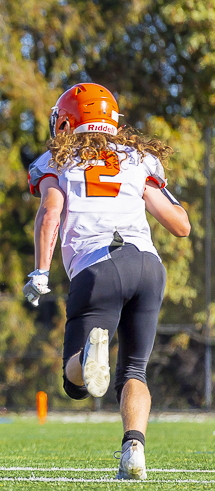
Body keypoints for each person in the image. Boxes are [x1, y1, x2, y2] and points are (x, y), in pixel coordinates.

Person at [24, 83, 190, 480]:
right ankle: (134, 450)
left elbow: (50, 212)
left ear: (67, 122)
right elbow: (180, 226)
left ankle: (87, 359)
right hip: (149, 266)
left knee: (75, 384)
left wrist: (40, 272)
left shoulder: (57, 160)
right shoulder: (137, 159)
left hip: (97, 266)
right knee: (134, 371)